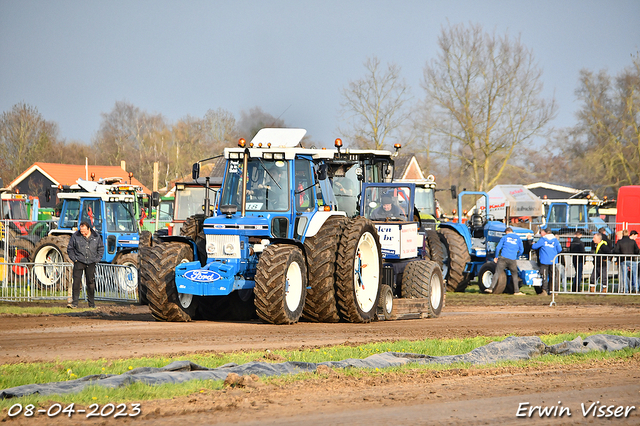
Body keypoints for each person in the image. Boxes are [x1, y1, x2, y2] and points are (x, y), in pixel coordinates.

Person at [66, 221, 104, 308]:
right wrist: (74, 259)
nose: (82, 233)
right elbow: (70, 248)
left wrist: (97, 259)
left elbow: (101, 248)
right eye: (81, 231)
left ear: (88, 229)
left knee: (90, 283)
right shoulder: (75, 236)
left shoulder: (96, 236)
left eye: (84, 231)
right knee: (76, 282)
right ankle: (74, 303)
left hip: (91, 262)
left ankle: (91, 304)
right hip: (79, 261)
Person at [487, 227, 525, 295]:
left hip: (503, 258)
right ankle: (516, 291)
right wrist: (517, 256)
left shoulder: (504, 237)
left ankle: (490, 288)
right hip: (512, 259)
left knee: (497, 273)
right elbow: (521, 250)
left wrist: (496, 257)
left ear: (507, 232)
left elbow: (498, 247)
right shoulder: (518, 238)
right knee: (514, 275)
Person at [531, 228, 562, 296]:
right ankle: (554, 291)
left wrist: (532, 243)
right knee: (554, 276)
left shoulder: (543, 240)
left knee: (544, 276)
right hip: (553, 261)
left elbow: (535, 246)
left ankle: (544, 291)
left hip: (544, 260)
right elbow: (560, 249)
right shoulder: (555, 240)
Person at [614, 229, 640, 293]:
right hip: (632, 259)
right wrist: (634, 254)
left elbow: (616, 250)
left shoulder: (619, 242)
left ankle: (626, 290)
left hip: (623, 260)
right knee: (635, 275)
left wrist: (620, 254)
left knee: (624, 276)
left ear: (622, 234)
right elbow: (637, 250)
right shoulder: (632, 242)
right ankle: (636, 289)